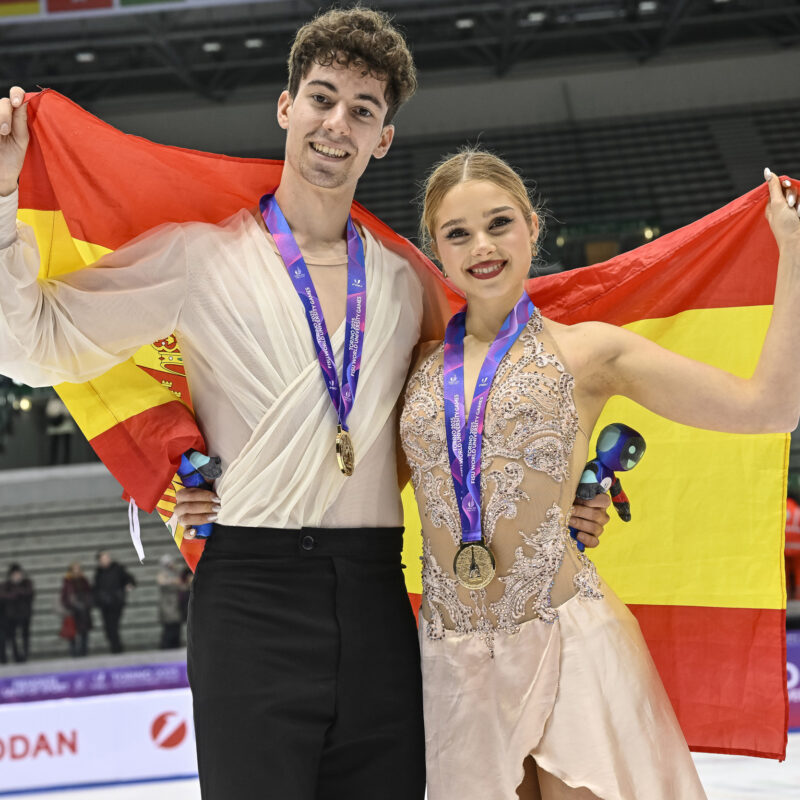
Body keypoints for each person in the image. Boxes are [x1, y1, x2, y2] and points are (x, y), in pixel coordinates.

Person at [0, 8, 609, 798]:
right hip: (250, 598)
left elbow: (488, 409)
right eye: (322, 98)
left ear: (383, 138)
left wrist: (558, 503)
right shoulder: (198, 258)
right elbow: (33, 344)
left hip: (376, 601)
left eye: (363, 110)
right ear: (286, 108)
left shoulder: (406, 283)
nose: (337, 124)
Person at [397, 148, 800, 799]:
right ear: (433, 250)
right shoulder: (409, 365)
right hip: (450, 664)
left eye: (499, 223)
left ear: (532, 226)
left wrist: (793, 253)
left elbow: (771, 407)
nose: (483, 245)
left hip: (571, 645)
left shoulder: (590, 350)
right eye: (459, 232)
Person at [92, 549, 136, 654]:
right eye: (103, 558)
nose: (106, 560)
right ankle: (115, 646)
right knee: (107, 627)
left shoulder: (118, 568)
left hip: (116, 602)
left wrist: (128, 585)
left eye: (107, 557)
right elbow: (96, 588)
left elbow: (130, 579)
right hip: (104, 604)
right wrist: (98, 600)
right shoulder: (98, 573)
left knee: (113, 626)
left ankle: (117, 648)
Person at [2, 563, 34, 663]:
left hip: (25, 614)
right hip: (11, 615)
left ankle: (25, 654)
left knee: (25, 635)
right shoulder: (5, 585)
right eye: (14, 574)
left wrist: (16, 592)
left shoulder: (27, 583)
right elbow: (3, 596)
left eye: (18, 574)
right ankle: (16, 656)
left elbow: (30, 593)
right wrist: (17, 593)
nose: (17, 576)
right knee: (12, 636)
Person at [60, 562, 92, 657]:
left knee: (84, 632)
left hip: (84, 611)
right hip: (73, 611)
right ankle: (74, 653)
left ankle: (84, 652)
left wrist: (85, 604)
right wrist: (71, 605)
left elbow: (89, 594)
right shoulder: (68, 582)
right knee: (72, 633)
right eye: (74, 569)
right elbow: (64, 597)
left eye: (78, 569)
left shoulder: (84, 581)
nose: (76, 571)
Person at [156, 553, 183, 649]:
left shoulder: (175, 572)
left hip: (176, 603)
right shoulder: (163, 573)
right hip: (167, 604)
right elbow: (162, 582)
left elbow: (181, 583)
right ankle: (166, 647)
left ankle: (175, 646)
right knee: (169, 627)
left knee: (176, 627)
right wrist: (173, 581)